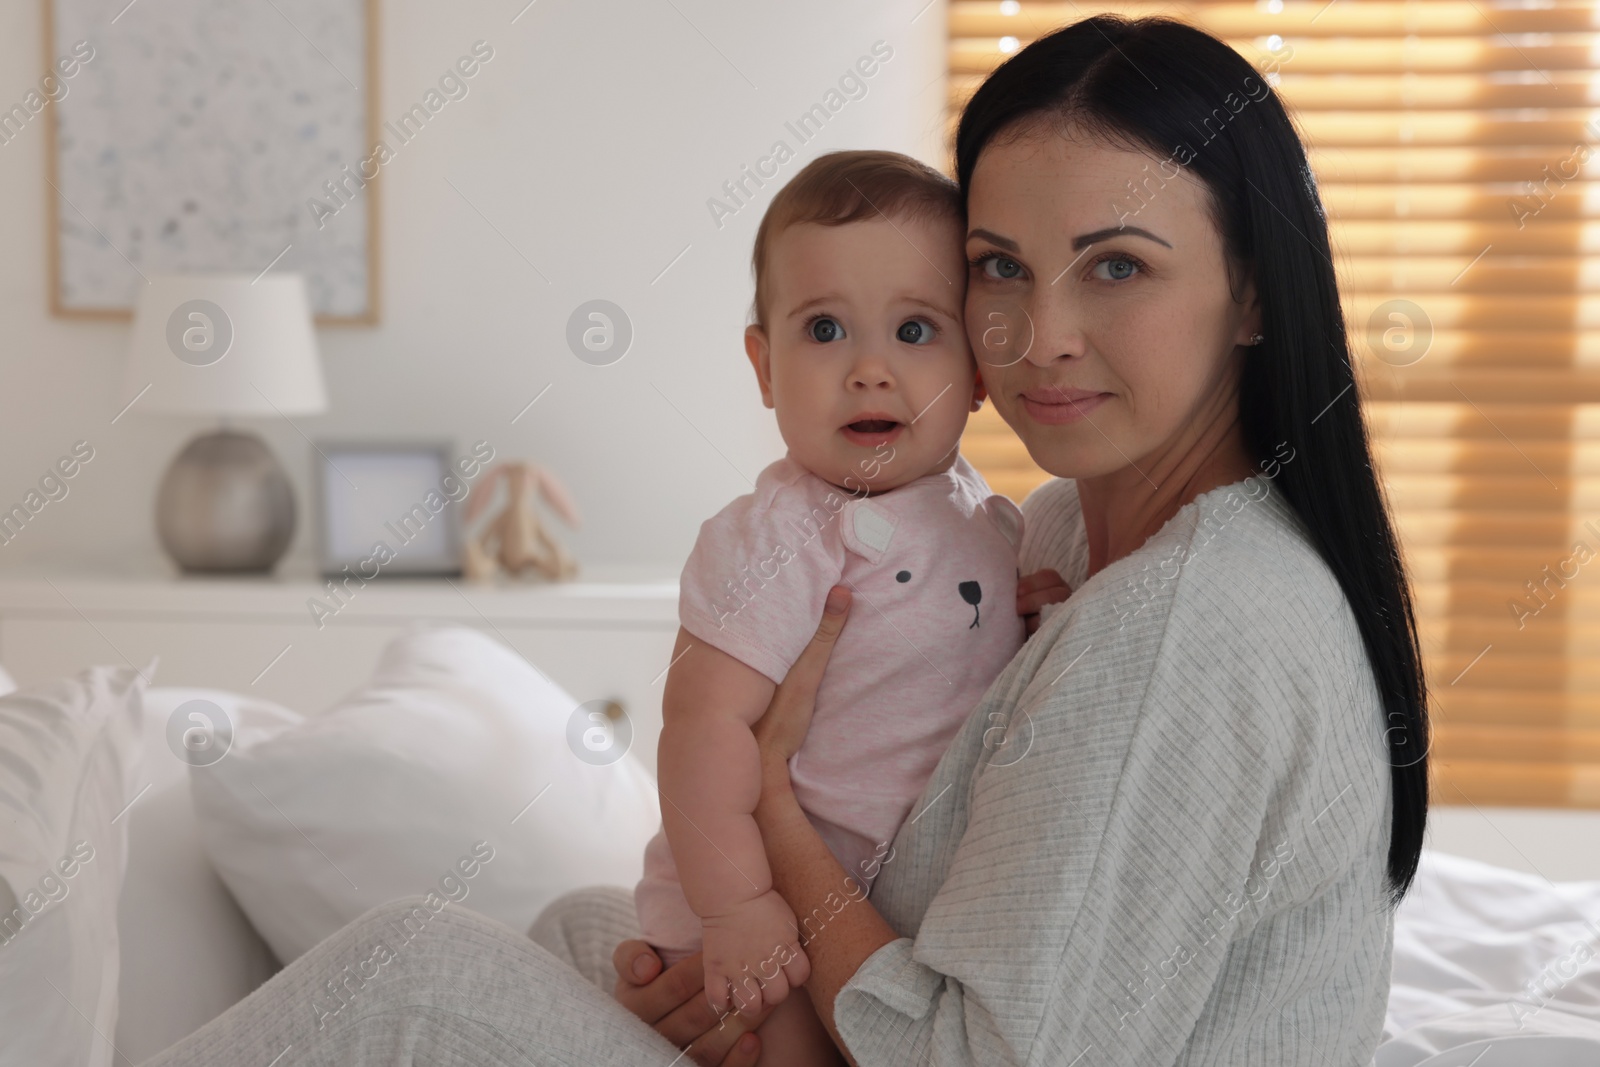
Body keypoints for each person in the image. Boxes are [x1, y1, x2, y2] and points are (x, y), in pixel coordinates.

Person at [143, 15, 1428, 1066]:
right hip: (859, 999)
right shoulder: (1053, 540)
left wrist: (769, 798)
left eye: (1116, 267)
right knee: (585, 924)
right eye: (996, 266)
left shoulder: (1189, 622)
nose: (1038, 336)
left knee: (410, 971)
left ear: (1253, 288)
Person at [633, 149, 1060, 1066]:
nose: (870, 369)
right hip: (762, 909)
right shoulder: (781, 536)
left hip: (884, 912)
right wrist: (736, 905)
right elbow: (700, 725)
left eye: (915, 331)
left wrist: (1039, 617)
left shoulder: (986, 518)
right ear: (764, 364)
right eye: (824, 329)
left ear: (980, 365)